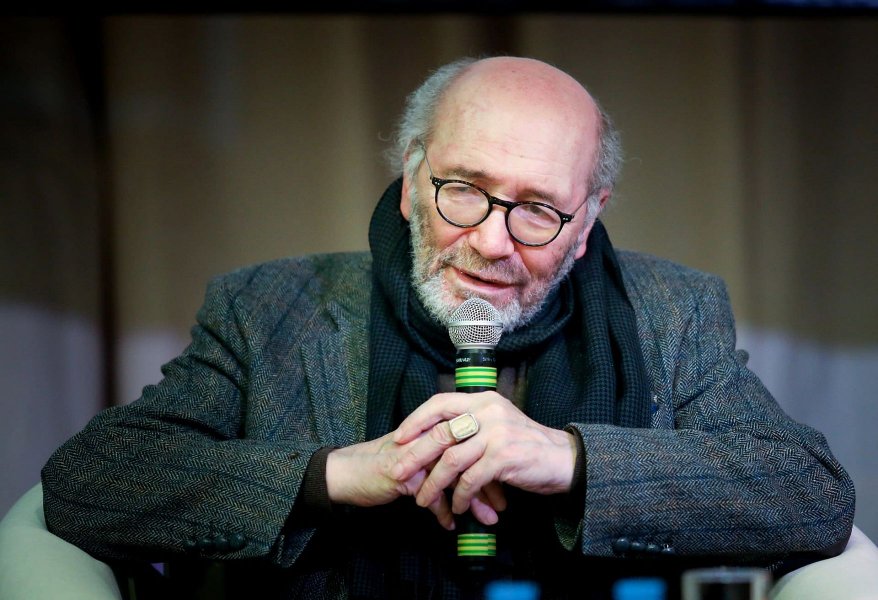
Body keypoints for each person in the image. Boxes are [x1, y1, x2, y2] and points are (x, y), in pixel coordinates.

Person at [41, 56, 855, 599]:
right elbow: (89, 481)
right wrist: (337, 474)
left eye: (538, 210)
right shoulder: (267, 307)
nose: (492, 243)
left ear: (587, 220)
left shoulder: (674, 311)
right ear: (410, 179)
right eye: (462, 189)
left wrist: (570, 460)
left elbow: (811, 494)